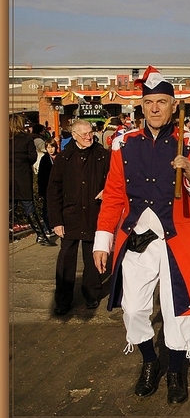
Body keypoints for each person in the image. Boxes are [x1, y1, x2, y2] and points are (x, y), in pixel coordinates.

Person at [92, 66, 190, 404]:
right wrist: (102, 240)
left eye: (162, 102)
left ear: (174, 106)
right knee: (132, 308)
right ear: (142, 106)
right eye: (150, 102)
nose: (156, 108)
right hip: (136, 238)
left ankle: (176, 369)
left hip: (176, 239)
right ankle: (150, 360)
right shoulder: (124, 145)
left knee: (177, 308)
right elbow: (114, 194)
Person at [47, 119, 110, 315]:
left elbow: (116, 179)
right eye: (84, 134)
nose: (88, 136)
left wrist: (107, 190)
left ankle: (92, 295)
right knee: (66, 259)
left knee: (93, 256)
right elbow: (53, 191)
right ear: (74, 136)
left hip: (94, 213)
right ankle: (63, 299)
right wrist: (56, 221)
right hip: (70, 216)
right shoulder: (64, 158)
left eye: (90, 132)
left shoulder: (103, 155)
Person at [9, 114, 56, 246]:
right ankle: (41, 236)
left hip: (7, 179)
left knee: (8, 207)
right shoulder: (26, 139)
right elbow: (32, 157)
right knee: (29, 208)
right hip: (22, 178)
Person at [37, 137, 59, 237]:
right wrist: (41, 190)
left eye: (52, 147)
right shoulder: (45, 159)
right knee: (46, 209)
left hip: (59, 188)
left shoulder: (60, 158)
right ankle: (47, 227)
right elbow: (41, 176)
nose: (50, 149)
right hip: (47, 188)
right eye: (48, 147)